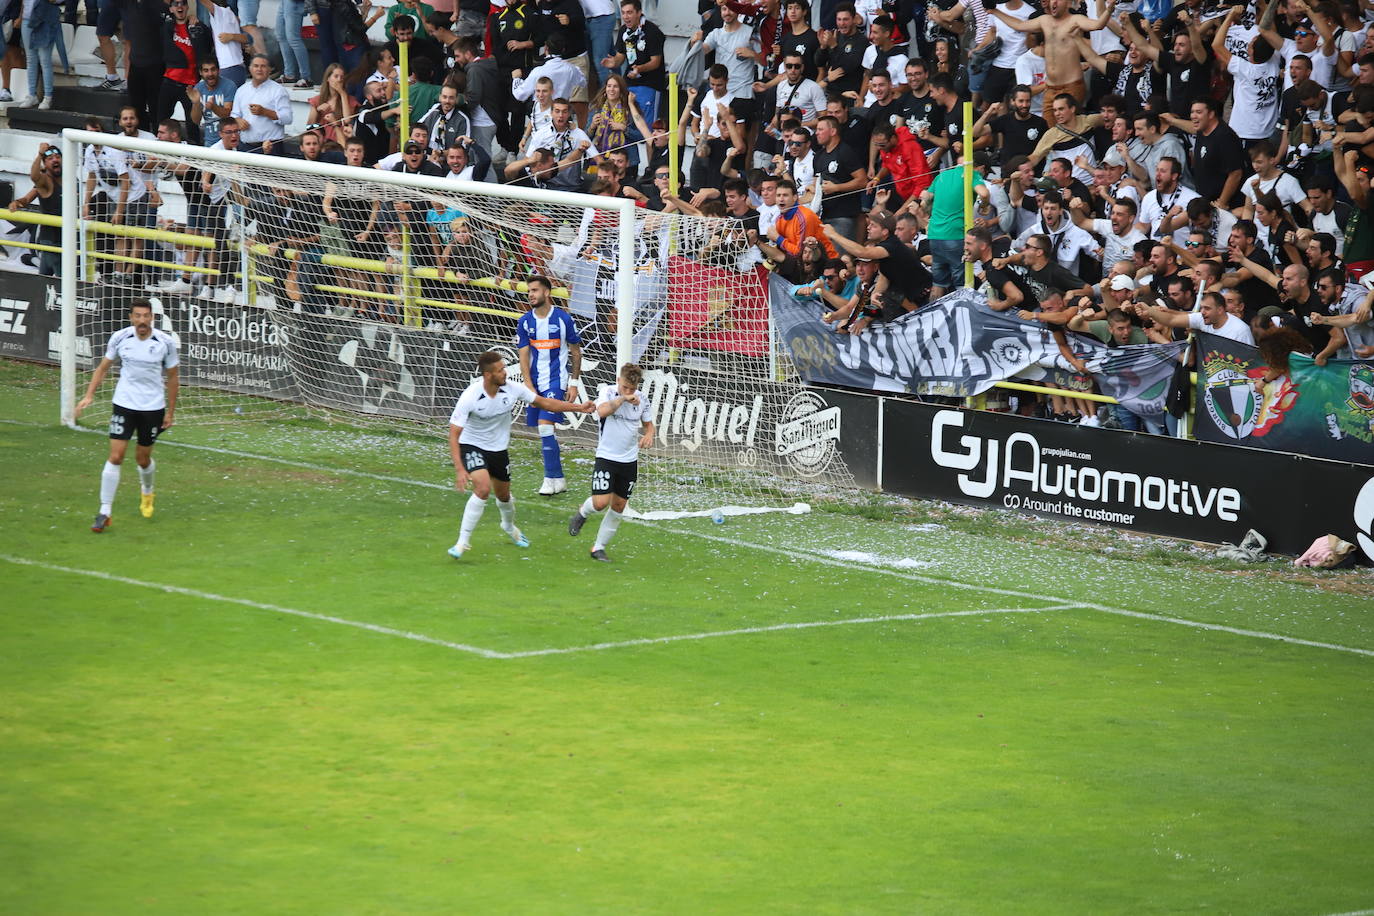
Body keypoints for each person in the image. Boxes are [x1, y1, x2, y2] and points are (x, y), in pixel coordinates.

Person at [447, 349, 592, 559]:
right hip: (472, 446)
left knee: (504, 496)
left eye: (504, 367)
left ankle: (508, 527)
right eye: (500, 370)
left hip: (498, 450)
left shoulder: (513, 389)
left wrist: (579, 407)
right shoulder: (470, 396)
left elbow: (546, 403)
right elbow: (454, 433)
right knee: (483, 488)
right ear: (488, 375)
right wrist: (460, 468)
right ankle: (462, 542)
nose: (505, 372)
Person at [75, 298, 180, 532]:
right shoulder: (120, 337)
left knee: (142, 459)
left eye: (146, 316)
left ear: (152, 317)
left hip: (152, 407)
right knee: (116, 456)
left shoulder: (165, 342)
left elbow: (173, 378)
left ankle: (147, 491)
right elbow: (103, 367)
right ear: (131, 318)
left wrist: (170, 411)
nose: (142, 320)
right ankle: (104, 511)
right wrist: (89, 395)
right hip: (124, 404)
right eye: (138, 316)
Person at [567, 362, 656, 562]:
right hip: (606, 457)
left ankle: (598, 548)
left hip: (629, 460)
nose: (629, 391)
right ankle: (582, 512)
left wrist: (648, 435)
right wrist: (623, 398)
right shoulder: (607, 392)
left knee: (619, 506)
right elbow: (603, 411)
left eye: (632, 389)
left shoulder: (642, 399)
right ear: (618, 381)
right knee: (600, 503)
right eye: (625, 387)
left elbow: (649, 425)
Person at [517, 275, 584, 496]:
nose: (531, 295)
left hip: (556, 381)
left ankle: (549, 478)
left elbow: (575, 351)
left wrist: (573, 383)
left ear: (547, 293)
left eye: (535, 290)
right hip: (535, 382)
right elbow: (523, 355)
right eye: (529, 291)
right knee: (544, 431)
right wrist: (527, 384)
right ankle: (559, 479)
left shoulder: (563, 319)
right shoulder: (525, 321)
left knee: (546, 426)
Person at [1132, 290, 1256, 345]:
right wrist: (1149, 311)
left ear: (1220, 310)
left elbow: (1250, 362)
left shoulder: (1240, 330)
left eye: (1207, 308)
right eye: (1201, 308)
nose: (1202, 312)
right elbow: (1170, 320)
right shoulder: (1202, 319)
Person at [12, 143, 63, 276]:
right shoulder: (44, 182)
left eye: (57, 157)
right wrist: (40, 154)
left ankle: (31, 260)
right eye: (50, 158)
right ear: (45, 164)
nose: (55, 160)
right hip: (51, 240)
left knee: (46, 278)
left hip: (69, 238)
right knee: (58, 281)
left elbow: (26, 198)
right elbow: (34, 178)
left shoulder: (71, 180)